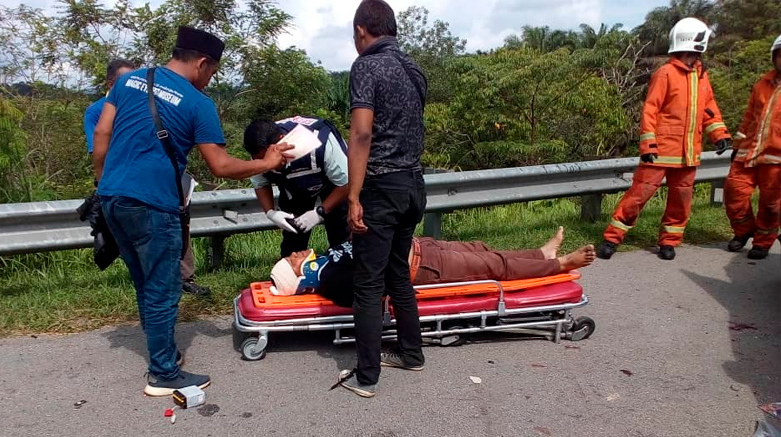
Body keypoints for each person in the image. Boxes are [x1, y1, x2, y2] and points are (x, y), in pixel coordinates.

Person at [92, 26, 292, 397]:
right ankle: (163, 374)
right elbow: (221, 165)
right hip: (154, 204)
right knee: (164, 289)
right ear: (202, 63)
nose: (210, 79)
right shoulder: (198, 103)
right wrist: (265, 162)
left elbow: (102, 134)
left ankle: (163, 353)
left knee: (145, 283)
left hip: (113, 198)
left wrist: (104, 182)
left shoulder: (130, 80)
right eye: (212, 72)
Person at [341, 0, 428, 398]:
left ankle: (366, 376)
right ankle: (412, 353)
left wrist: (354, 196)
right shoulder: (414, 69)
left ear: (362, 30)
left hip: (381, 187)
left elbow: (361, 135)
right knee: (397, 273)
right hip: (413, 186)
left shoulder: (366, 66)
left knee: (369, 284)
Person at [597, 17, 731, 262]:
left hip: (689, 154)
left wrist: (719, 134)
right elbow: (650, 109)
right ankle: (611, 239)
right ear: (696, 42)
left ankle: (668, 242)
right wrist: (648, 144)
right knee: (638, 197)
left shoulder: (702, 76)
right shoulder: (666, 73)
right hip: (660, 152)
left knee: (681, 201)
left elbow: (709, 109)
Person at [84, 58, 210, 296]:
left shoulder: (152, 100)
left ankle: (183, 278)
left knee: (180, 225)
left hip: (165, 179)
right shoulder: (98, 111)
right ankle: (152, 285)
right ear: (111, 83)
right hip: (123, 184)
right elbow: (98, 145)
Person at [269, 227, 596, 308]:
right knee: (492, 266)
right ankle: (558, 265)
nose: (296, 252)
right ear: (300, 276)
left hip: (420, 246)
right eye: (292, 259)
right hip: (424, 267)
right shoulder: (333, 283)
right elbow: (372, 288)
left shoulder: (327, 260)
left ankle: (540, 254)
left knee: (483, 249)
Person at [243, 116, 350, 257]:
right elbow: (261, 183)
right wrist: (271, 213)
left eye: (267, 157)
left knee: (341, 237)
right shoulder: (258, 152)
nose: (265, 163)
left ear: (282, 140)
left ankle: (342, 272)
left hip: (334, 184)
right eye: (260, 160)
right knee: (292, 243)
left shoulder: (322, 144)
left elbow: (347, 182)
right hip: (293, 189)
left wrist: (320, 212)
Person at [723, 34, 781, 260]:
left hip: (776, 158)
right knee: (733, 193)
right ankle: (744, 230)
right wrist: (737, 146)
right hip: (749, 151)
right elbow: (748, 118)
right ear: (774, 57)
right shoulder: (761, 84)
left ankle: (763, 242)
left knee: (771, 205)